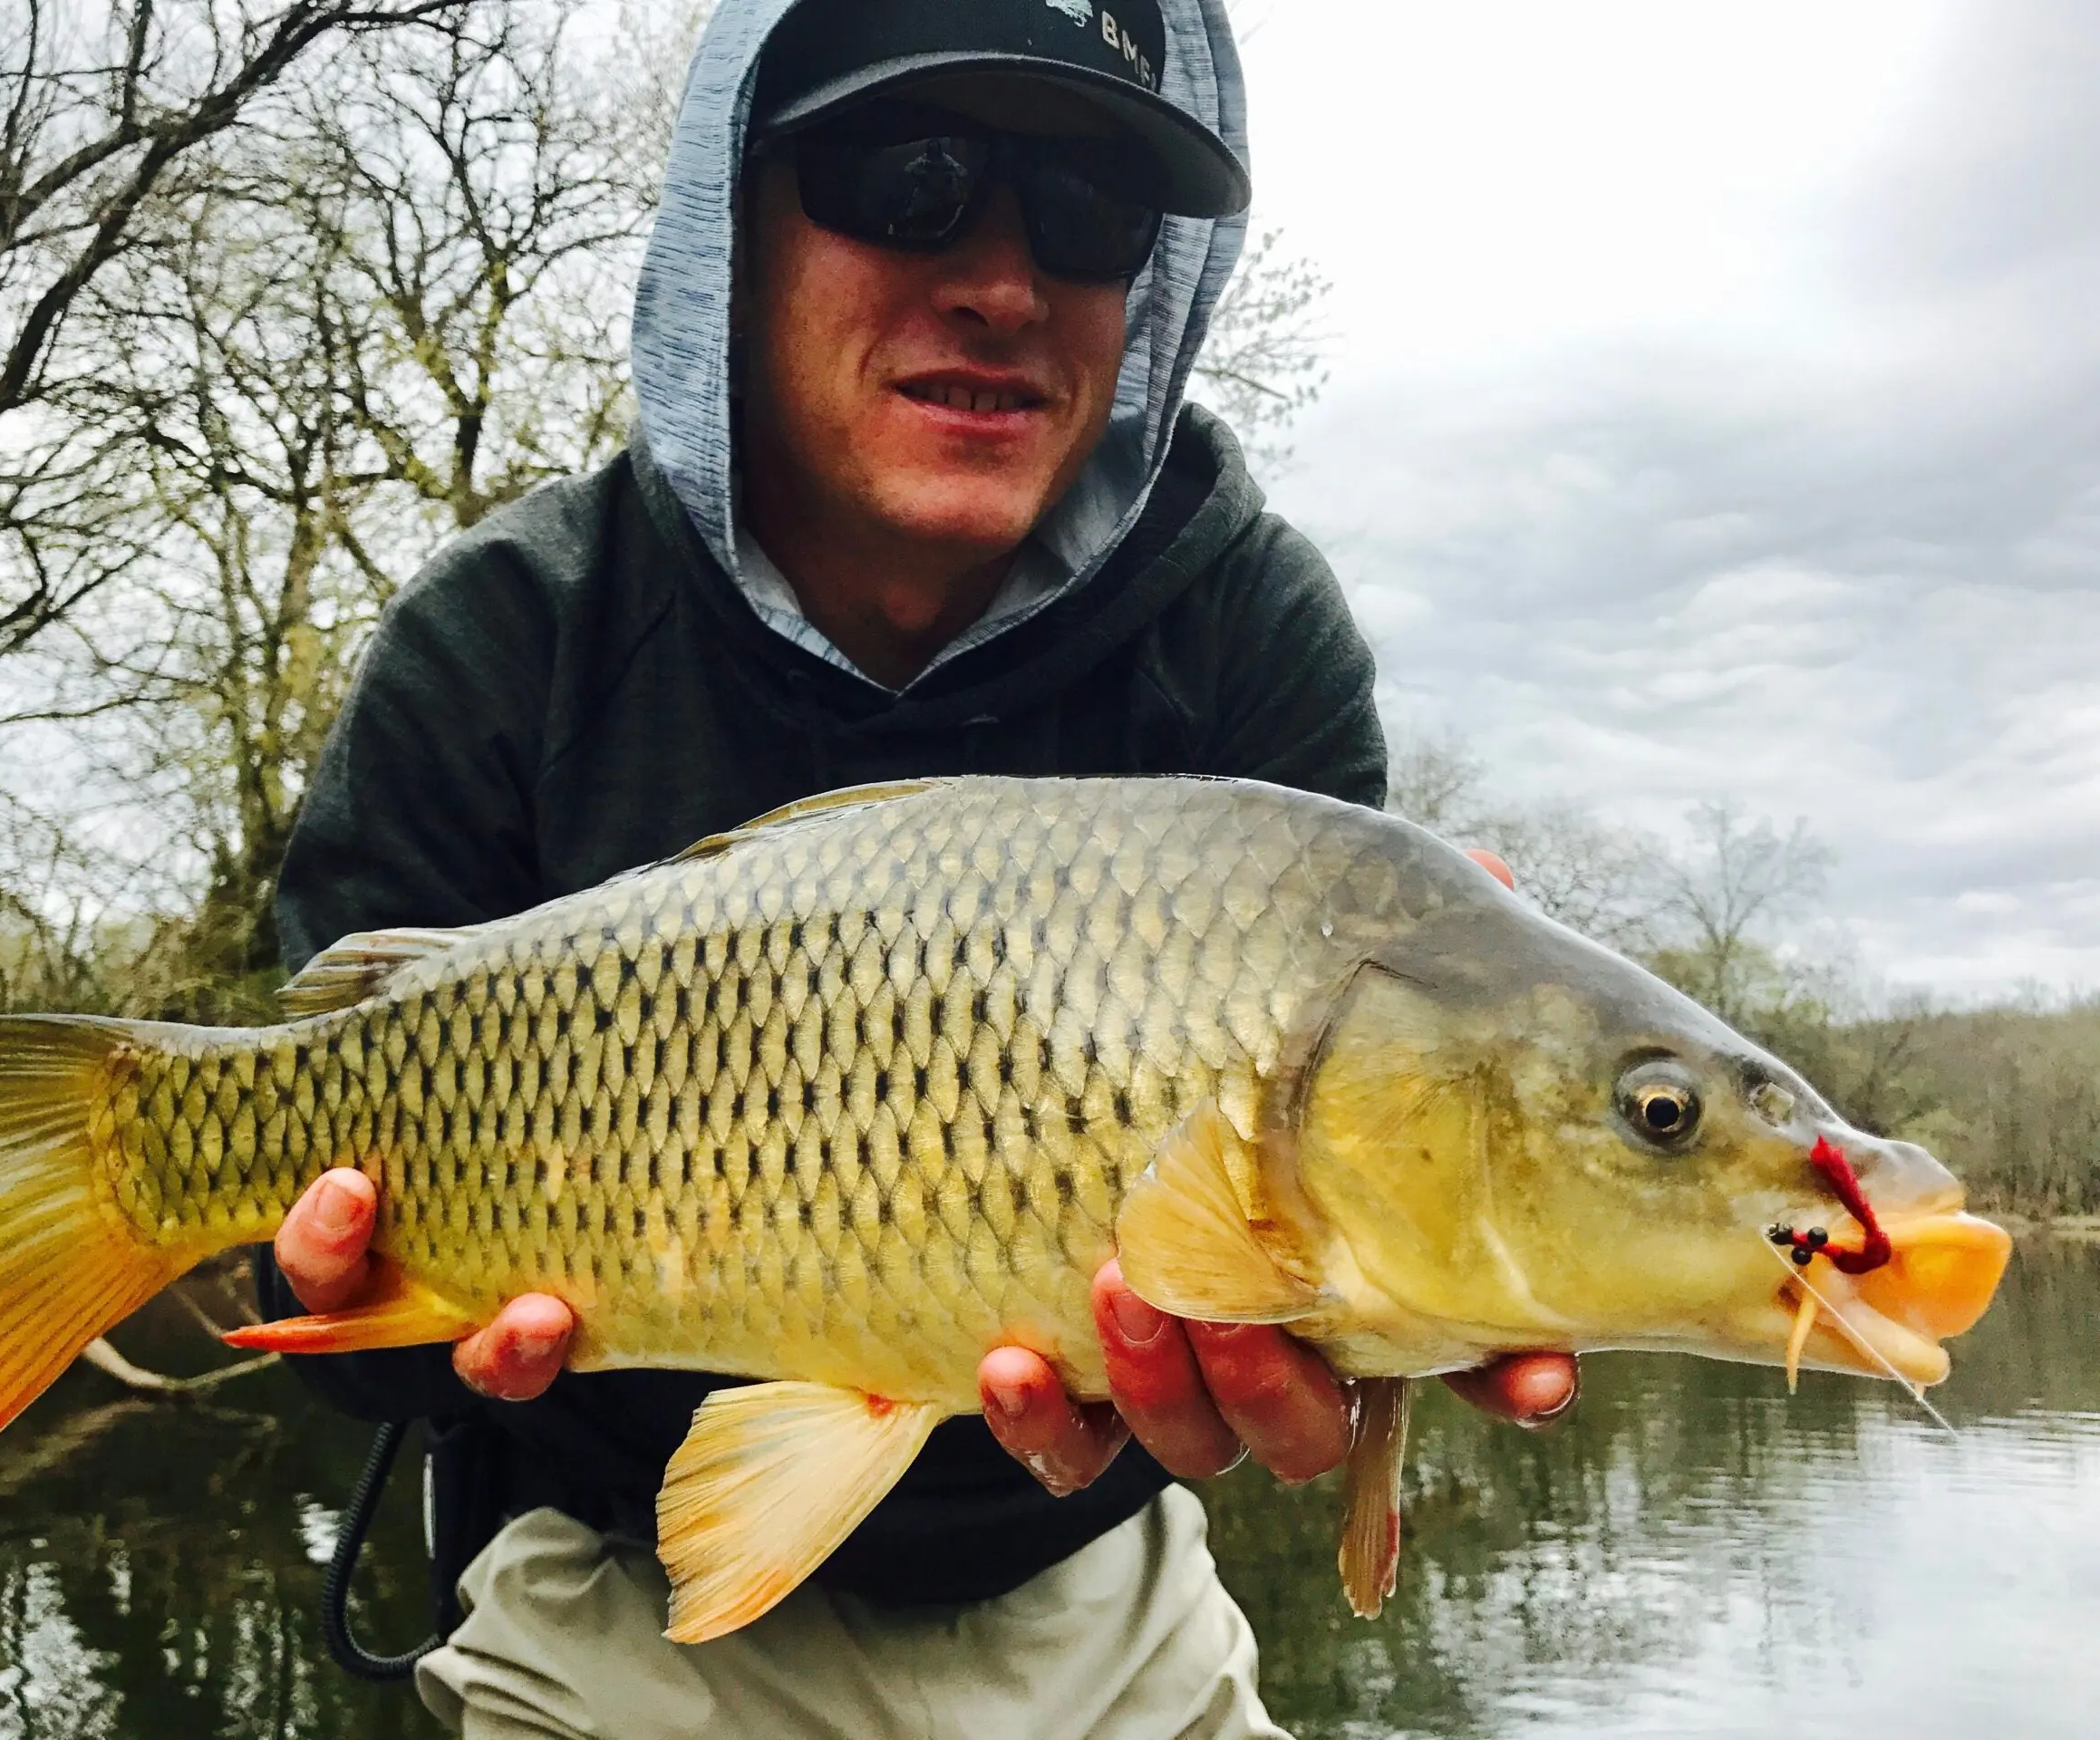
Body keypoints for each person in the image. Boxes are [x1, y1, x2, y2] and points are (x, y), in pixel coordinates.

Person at [258, 0, 1577, 1732]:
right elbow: (299, 1294)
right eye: (915, 178)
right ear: (731, 224)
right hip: (613, 1583)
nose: (1009, 287)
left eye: (1094, 215)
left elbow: (1319, 1286)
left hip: (1093, 1586)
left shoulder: (1252, 636)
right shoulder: (507, 640)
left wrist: (1366, 1358)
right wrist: (345, 1299)